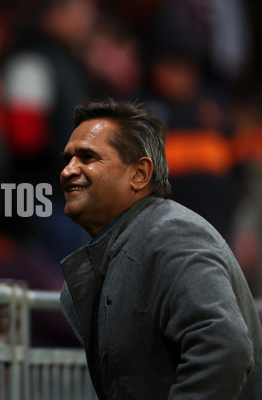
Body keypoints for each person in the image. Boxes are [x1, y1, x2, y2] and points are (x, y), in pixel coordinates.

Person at [58, 98, 262, 399]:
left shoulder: (173, 235)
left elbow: (224, 348)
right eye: (67, 159)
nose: (67, 171)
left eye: (87, 157)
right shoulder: (122, 247)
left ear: (139, 174)